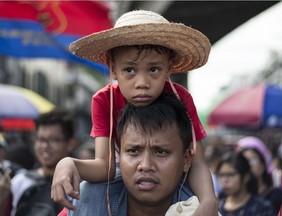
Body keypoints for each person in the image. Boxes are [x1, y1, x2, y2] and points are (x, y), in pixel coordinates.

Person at [52, 10, 217, 215]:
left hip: (170, 183)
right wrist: (69, 163)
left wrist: (209, 202)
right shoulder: (103, 100)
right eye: (129, 70)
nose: (142, 83)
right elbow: (106, 167)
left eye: (154, 70)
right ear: (112, 68)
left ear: (169, 67)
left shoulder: (180, 98)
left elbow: (197, 162)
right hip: (124, 175)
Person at [59, 93, 205, 216]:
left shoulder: (201, 209)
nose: (146, 166)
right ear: (119, 155)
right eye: (134, 151)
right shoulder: (86, 202)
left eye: (160, 152)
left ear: (186, 159)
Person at [10, 109, 76, 216]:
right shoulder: (20, 182)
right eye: (40, 139)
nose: (45, 146)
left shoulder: (78, 186)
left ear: (70, 143)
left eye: (54, 140)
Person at [236, 136, 282, 213]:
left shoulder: (279, 195)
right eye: (244, 161)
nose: (249, 165)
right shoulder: (231, 197)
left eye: (252, 160)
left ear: (263, 164)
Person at [216, 151, 275, 216]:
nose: (225, 180)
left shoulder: (262, 208)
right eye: (221, 175)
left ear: (245, 177)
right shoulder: (217, 207)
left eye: (230, 175)